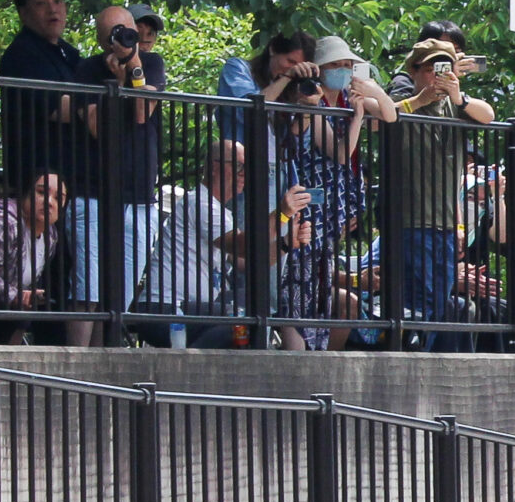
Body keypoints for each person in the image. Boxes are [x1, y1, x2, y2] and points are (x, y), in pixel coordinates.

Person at [273, 38, 393, 351]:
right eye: (335, 66)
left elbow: (390, 116)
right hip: (304, 207)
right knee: (298, 288)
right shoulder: (312, 103)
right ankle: (296, 349)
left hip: (329, 214)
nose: (342, 72)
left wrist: (367, 97)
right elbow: (339, 153)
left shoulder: (343, 101)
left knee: (323, 290)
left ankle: (318, 352)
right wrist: (353, 118)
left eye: (346, 66)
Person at [386, 26, 495, 350]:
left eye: (445, 68)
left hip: (446, 225)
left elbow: (488, 115)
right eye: (432, 69)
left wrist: (458, 95)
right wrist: (420, 99)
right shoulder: (401, 99)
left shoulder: (456, 106)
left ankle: (420, 353)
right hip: (411, 220)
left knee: (437, 301)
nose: (438, 75)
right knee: (422, 299)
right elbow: (382, 118)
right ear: (415, 71)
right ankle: (412, 353)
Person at [68, 4, 166, 343]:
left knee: (119, 298)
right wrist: (116, 83)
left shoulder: (151, 63)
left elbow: (142, 113)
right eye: (115, 34)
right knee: (88, 288)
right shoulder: (87, 69)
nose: (124, 39)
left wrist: (131, 74)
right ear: (102, 40)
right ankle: (77, 364)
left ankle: (106, 363)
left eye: (128, 31)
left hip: (138, 197)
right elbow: (99, 129)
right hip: (91, 192)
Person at [144, 140, 307, 343]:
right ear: (214, 167)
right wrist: (282, 213)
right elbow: (243, 245)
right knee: (241, 320)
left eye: (247, 168)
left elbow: (250, 262)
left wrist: (285, 243)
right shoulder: (201, 203)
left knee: (253, 304)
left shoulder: (221, 213)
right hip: (166, 311)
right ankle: (187, 370)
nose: (244, 174)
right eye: (238, 166)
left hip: (195, 310)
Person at [0, 0, 85, 214]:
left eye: (57, 1)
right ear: (23, 12)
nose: (52, 9)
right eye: (41, 2)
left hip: (72, 179)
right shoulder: (21, 54)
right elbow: (59, 108)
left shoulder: (69, 53)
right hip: (37, 181)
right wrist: (98, 105)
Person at [0, 170, 69, 339]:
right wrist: (15, 295)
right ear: (25, 193)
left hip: (3, 301)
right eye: (42, 193)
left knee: (34, 309)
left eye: (59, 198)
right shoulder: (3, 221)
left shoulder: (50, 235)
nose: (50, 202)